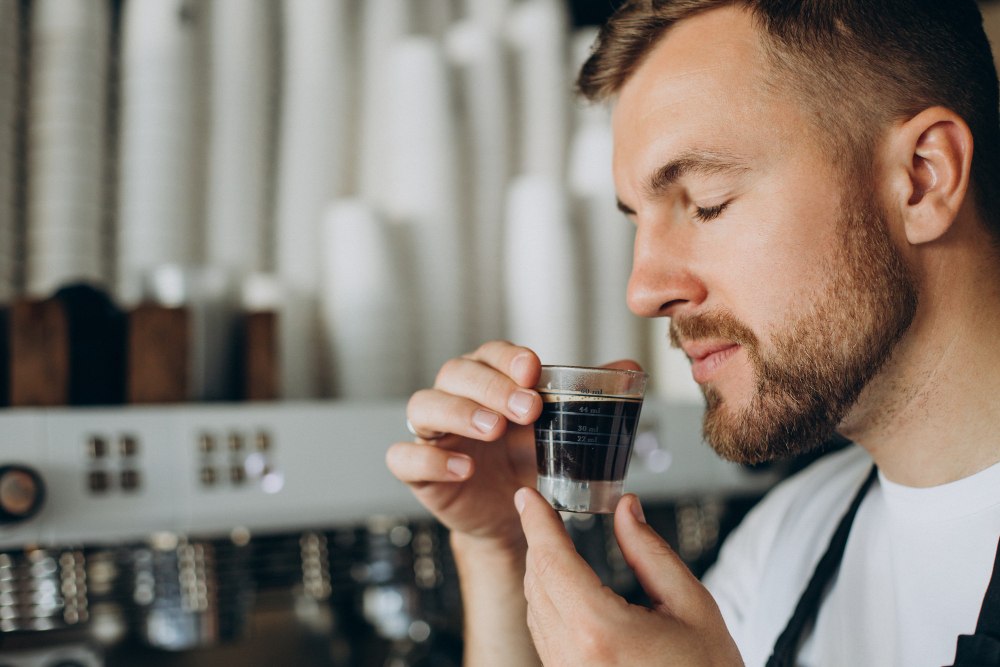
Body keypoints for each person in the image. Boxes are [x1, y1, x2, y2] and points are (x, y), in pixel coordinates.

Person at [386, 1, 1000, 664]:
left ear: (922, 179)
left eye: (708, 201)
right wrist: (502, 551)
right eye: (637, 221)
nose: (643, 291)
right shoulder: (791, 540)